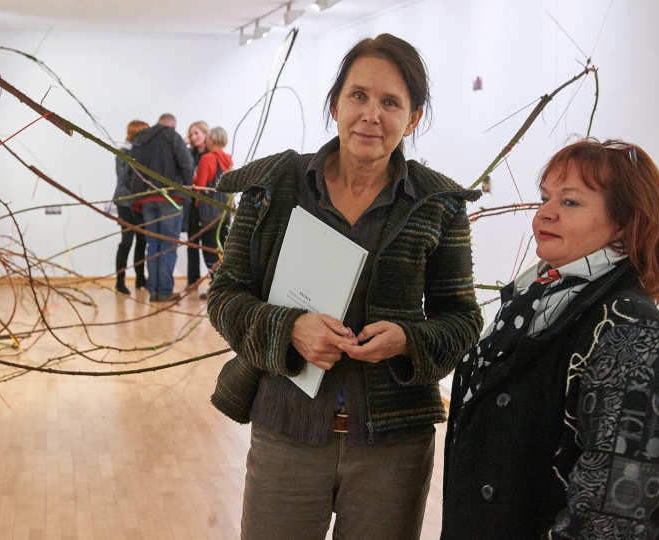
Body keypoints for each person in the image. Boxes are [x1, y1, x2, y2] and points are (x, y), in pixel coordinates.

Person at [207, 34, 483, 539]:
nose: (371, 115)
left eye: (391, 102)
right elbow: (224, 296)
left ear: (413, 118)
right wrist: (289, 328)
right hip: (288, 431)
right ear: (335, 103)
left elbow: (463, 319)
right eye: (359, 95)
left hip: (393, 449)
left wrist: (408, 340)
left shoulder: (438, 204)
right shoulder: (276, 187)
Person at [442, 139, 659, 539]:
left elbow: (613, 515)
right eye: (546, 197)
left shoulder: (634, 335)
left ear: (624, 223)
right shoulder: (534, 301)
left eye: (571, 202)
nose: (545, 213)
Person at [127, 113, 194, 303]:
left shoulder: (140, 139)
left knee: (153, 246)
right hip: (171, 198)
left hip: (146, 200)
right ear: (172, 125)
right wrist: (187, 189)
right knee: (168, 246)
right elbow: (186, 164)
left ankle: (154, 292)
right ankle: (164, 292)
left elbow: (131, 170)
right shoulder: (172, 135)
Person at [192, 126, 233, 299]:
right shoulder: (228, 158)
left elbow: (200, 186)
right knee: (223, 247)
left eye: (208, 138)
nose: (207, 141)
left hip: (209, 211)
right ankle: (225, 287)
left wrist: (193, 184)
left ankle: (215, 286)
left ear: (213, 139)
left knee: (209, 248)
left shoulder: (207, 158)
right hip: (225, 209)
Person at [112, 120, 149, 295]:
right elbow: (125, 178)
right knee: (127, 241)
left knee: (142, 241)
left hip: (139, 202)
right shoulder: (123, 153)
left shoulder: (140, 152)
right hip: (125, 202)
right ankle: (120, 281)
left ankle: (140, 279)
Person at [185, 120, 210, 288]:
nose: (194, 137)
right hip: (193, 204)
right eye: (191, 134)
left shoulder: (212, 154)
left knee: (210, 244)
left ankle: (215, 282)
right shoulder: (188, 154)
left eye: (196, 133)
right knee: (192, 243)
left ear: (206, 134)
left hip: (209, 205)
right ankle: (192, 280)